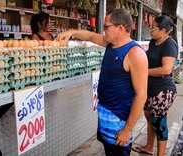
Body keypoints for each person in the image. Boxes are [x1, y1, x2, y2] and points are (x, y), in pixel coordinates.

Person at [57, 9, 148, 156]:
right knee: (108, 150)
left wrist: (128, 129)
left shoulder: (135, 54)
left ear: (120, 28)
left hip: (119, 119)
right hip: (105, 112)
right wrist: (71, 32)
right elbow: (91, 36)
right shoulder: (110, 44)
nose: (103, 30)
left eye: (106, 27)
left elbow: (142, 95)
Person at [132, 15, 178, 156]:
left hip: (162, 91)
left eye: (153, 28)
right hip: (149, 88)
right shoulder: (153, 42)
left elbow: (166, 69)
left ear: (163, 30)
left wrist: (142, 71)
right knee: (149, 118)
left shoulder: (170, 44)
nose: (150, 30)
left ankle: (161, 154)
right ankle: (149, 147)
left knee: (159, 122)